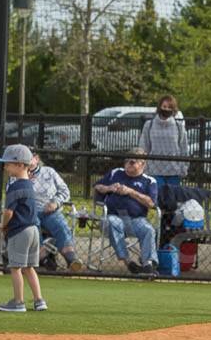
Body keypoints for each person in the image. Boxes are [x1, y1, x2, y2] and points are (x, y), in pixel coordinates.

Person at [0, 144, 46, 313]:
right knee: (29, 267)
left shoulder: (15, 186)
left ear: (20, 165)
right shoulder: (29, 184)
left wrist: (3, 225)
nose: (5, 167)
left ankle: (18, 302)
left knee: (15, 268)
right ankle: (39, 300)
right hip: (33, 230)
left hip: (20, 231)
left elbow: (8, 212)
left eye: (8, 163)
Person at [93, 147, 159, 275]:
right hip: (113, 216)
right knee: (112, 222)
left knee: (148, 230)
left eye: (132, 162)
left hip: (136, 219)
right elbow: (97, 186)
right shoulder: (115, 173)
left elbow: (151, 203)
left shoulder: (149, 181)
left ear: (142, 164)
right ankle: (128, 261)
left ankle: (148, 264)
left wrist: (130, 192)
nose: (128, 164)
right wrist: (109, 188)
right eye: (127, 161)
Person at [26, 153, 84, 272]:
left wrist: (56, 203)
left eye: (30, 156)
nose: (26, 159)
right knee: (34, 224)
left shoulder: (49, 172)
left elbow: (65, 190)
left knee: (60, 225)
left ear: (36, 159)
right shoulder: (18, 174)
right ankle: (44, 258)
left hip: (49, 210)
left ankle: (71, 259)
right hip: (29, 211)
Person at [138, 95, 188, 189]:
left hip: (174, 170)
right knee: (157, 197)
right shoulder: (149, 125)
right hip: (154, 169)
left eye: (170, 107)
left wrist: (184, 167)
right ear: (159, 107)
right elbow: (144, 147)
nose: (167, 109)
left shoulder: (179, 126)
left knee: (172, 199)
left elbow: (184, 148)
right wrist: (143, 166)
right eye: (164, 106)